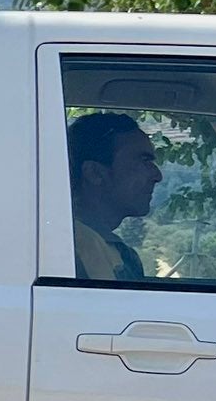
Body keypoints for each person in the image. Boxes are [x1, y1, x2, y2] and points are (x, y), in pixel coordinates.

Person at [68, 110, 159, 281]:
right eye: (144, 161)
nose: (157, 175)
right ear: (95, 173)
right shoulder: (81, 249)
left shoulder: (109, 250)